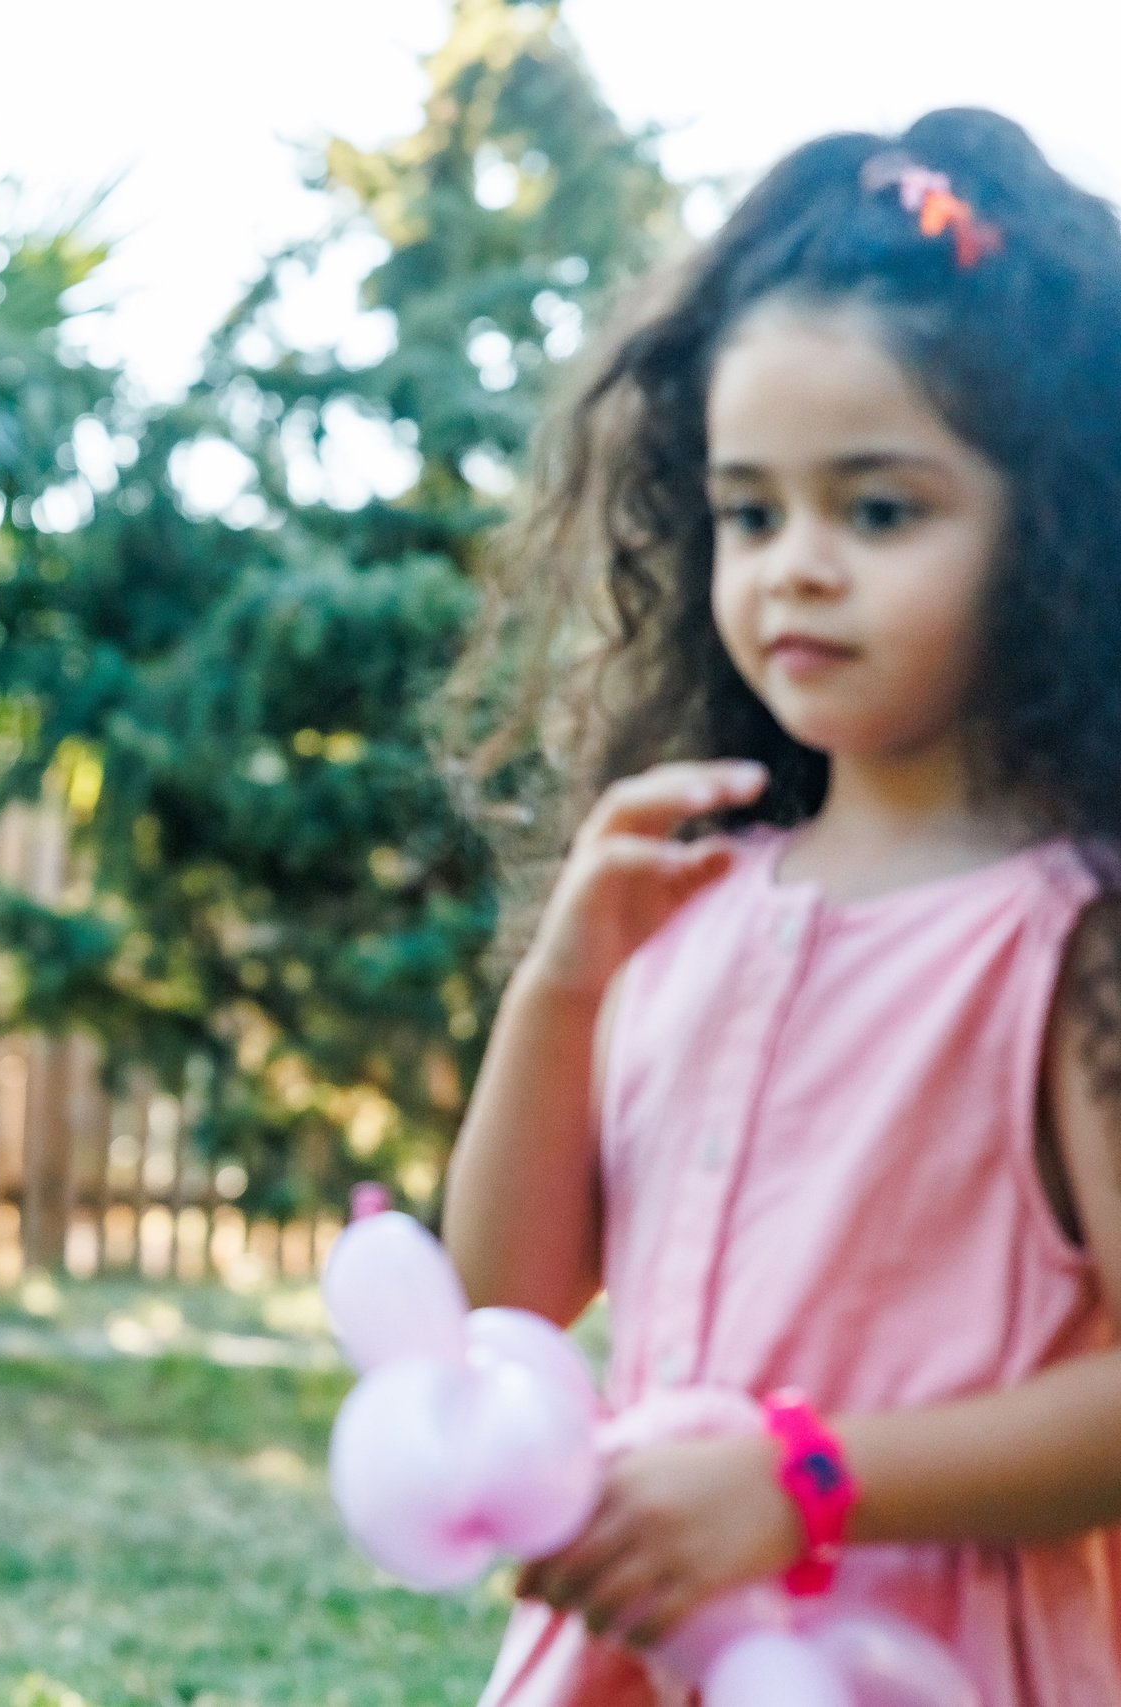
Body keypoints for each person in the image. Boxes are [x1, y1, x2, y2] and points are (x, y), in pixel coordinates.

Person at [444, 107, 1121, 1704]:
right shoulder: (686, 898)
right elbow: (509, 1306)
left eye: (878, 510)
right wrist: (562, 986)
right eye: (752, 511)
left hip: (920, 1660)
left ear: (1061, 538)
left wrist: (804, 1479)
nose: (794, 567)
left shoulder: (1065, 940)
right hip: (644, 1647)